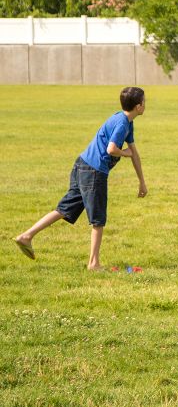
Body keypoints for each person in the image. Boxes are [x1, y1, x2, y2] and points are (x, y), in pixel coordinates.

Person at [13, 86, 148, 270]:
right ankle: (94, 263)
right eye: (144, 102)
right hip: (94, 171)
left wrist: (141, 181)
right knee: (98, 219)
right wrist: (124, 152)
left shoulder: (124, 120)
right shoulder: (123, 123)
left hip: (82, 164)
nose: (145, 104)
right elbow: (112, 149)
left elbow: (135, 153)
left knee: (64, 209)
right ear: (138, 106)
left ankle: (26, 236)